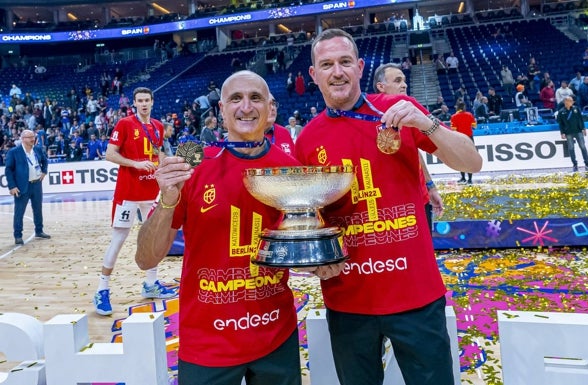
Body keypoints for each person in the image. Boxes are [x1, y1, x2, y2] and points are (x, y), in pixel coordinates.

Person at [297, 28, 482, 385]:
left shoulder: (399, 111)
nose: (337, 71)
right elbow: (312, 219)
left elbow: (471, 163)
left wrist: (427, 125)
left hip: (416, 294)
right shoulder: (307, 140)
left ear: (361, 67)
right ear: (314, 74)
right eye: (327, 64)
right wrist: (313, 258)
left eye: (345, 62)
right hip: (348, 299)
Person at [135, 70, 303, 385]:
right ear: (221, 110)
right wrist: (168, 199)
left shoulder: (291, 170)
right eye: (235, 99)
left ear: (270, 108)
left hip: (276, 337)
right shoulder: (193, 165)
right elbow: (146, 259)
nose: (246, 107)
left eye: (255, 98)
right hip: (207, 343)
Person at [93, 87, 175, 317]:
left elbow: (158, 153)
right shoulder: (125, 124)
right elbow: (110, 154)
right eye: (140, 101)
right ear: (134, 104)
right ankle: (102, 288)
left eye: (147, 100)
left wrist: (166, 167)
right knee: (119, 240)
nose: (144, 104)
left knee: (153, 238)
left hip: (151, 193)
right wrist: (135, 163)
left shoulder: (158, 126)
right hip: (128, 193)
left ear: (152, 102)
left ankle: (151, 283)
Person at [373, 62, 444, 231]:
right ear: (381, 86)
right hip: (389, 205)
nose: (404, 85)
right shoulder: (369, 117)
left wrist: (430, 186)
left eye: (404, 80)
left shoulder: (409, 114)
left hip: (419, 198)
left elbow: (415, 153)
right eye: (398, 81)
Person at [5, 129, 51, 245]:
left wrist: (44, 171)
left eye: (33, 137)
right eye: (30, 137)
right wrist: (12, 186)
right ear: (23, 139)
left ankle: (39, 231)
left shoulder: (37, 149)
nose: (33, 139)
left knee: (38, 209)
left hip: (36, 184)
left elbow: (45, 161)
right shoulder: (14, 152)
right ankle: (18, 235)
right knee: (19, 212)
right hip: (21, 186)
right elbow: (8, 170)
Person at [557, 95, 588, 172]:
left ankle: (587, 163)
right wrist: (562, 133)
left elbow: (581, 119)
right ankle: (575, 164)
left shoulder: (576, 109)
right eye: (570, 101)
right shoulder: (561, 112)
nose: (572, 102)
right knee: (571, 148)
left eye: (572, 101)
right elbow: (560, 124)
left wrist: (584, 128)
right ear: (566, 102)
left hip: (578, 131)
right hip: (568, 132)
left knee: (583, 147)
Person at [450, 101, 477, 185]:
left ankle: (463, 177)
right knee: (470, 158)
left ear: (457, 107)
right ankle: (470, 179)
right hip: (469, 138)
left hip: (459, 138)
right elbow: (474, 126)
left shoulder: (454, 117)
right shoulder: (469, 115)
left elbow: (453, 130)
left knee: (460, 158)